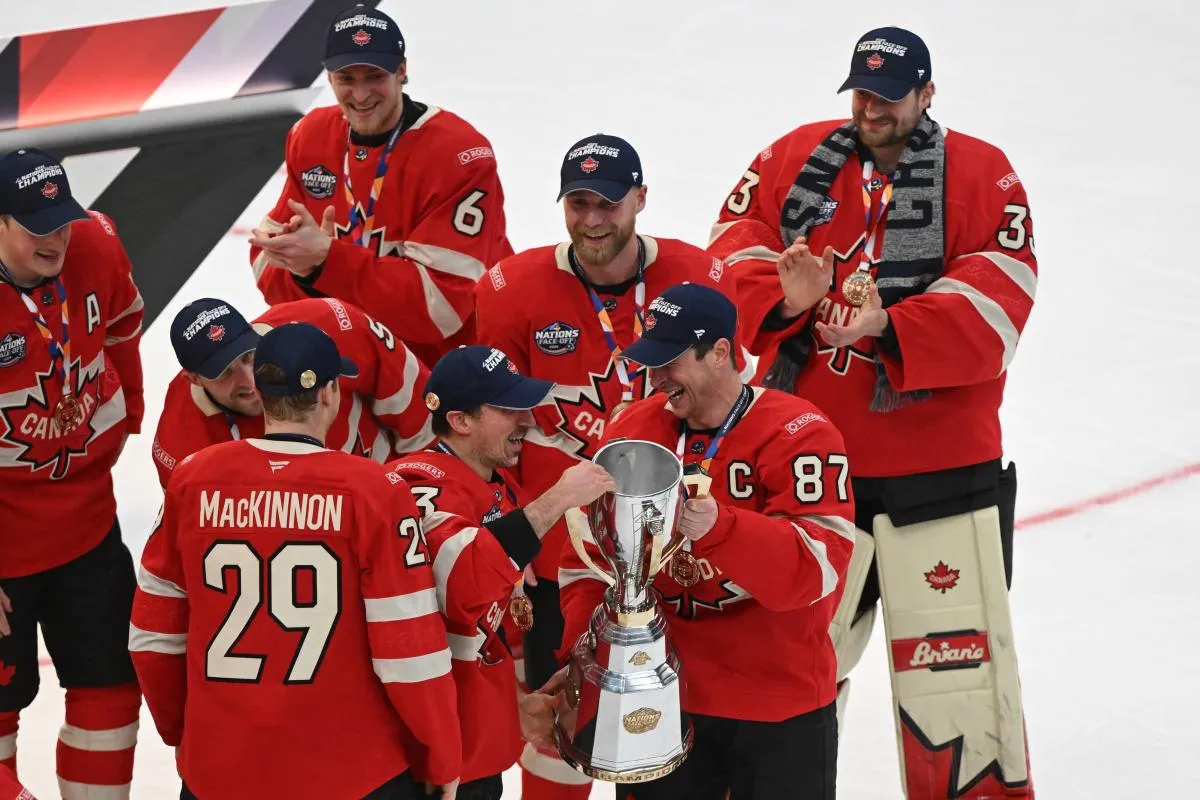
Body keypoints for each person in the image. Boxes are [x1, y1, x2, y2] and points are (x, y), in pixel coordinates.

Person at [706, 26, 1037, 799]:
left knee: (957, 688)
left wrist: (888, 323)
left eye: (889, 96)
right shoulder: (794, 157)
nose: (872, 109)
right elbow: (729, 245)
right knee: (788, 674)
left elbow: (1004, 300)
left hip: (941, 476)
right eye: (861, 92)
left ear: (927, 95)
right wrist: (785, 300)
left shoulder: (985, 174)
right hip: (809, 470)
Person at [472, 133, 746, 798]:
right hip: (555, 567)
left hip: (672, 563)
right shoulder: (510, 290)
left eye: (609, 203)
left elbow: (729, 405)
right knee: (555, 744)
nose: (593, 218)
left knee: (660, 742)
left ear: (641, 200)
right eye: (579, 202)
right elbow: (495, 431)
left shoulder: (698, 275)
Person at [548, 283, 855, 799]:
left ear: (719, 353)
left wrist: (721, 530)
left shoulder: (800, 432)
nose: (657, 379)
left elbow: (816, 572)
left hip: (779, 703)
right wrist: (582, 653)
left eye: (670, 362)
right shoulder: (631, 432)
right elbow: (586, 558)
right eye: (651, 362)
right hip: (662, 700)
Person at [130, 322, 462, 799]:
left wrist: (187, 734)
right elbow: (410, 652)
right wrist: (441, 757)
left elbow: (152, 636)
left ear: (261, 393)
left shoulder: (191, 479)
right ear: (329, 393)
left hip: (220, 771)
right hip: (353, 775)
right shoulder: (374, 490)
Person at [387, 345, 616, 800]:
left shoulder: (491, 487)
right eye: (508, 409)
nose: (527, 420)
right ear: (461, 420)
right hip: (430, 762)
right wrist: (556, 500)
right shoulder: (419, 484)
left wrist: (516, 705)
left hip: (471, 747)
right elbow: (460, 583)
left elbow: (472, 636)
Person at [248, 4, 512, 368]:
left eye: (373, 76)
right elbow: (267, 271)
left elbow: (442, 310)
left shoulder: (459, 154)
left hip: (456, 371)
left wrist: (327, 261)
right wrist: (305, 268)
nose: (360, 96)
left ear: (401, 72)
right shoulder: (310, 137)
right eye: (346, 79)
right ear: (329, 78)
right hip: (356, 362)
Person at [0, 148, 144, 799]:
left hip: (87, 524)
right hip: (4, 544)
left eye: (61, 219)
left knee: (111, 685)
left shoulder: (96, 244)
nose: (56, 238)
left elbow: (123, 326)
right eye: (36, 226)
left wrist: (124, 415)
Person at [152, 295, 433, 488]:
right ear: (194, 379)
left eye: (249, 357)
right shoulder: (181, 448)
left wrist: (420, 496)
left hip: (398, 491)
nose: (251, 382)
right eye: (225, 373)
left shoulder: (333, 324)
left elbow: (424, 417)